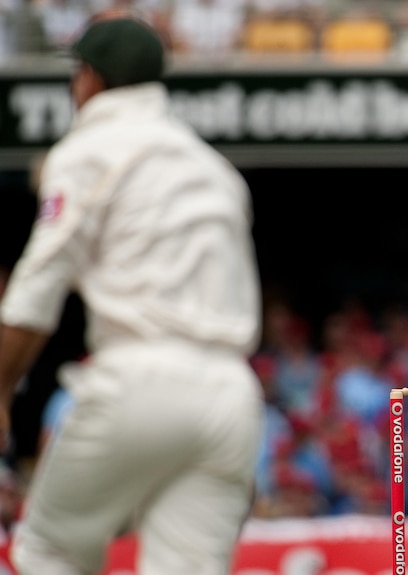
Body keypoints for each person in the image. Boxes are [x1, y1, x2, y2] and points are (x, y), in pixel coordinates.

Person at [0, 16, 264, 575]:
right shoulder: (214, 168)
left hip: (141, 378)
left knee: (48, 551)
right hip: (233, 396)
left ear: (88, 79)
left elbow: (34, 292)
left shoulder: (86, 149)